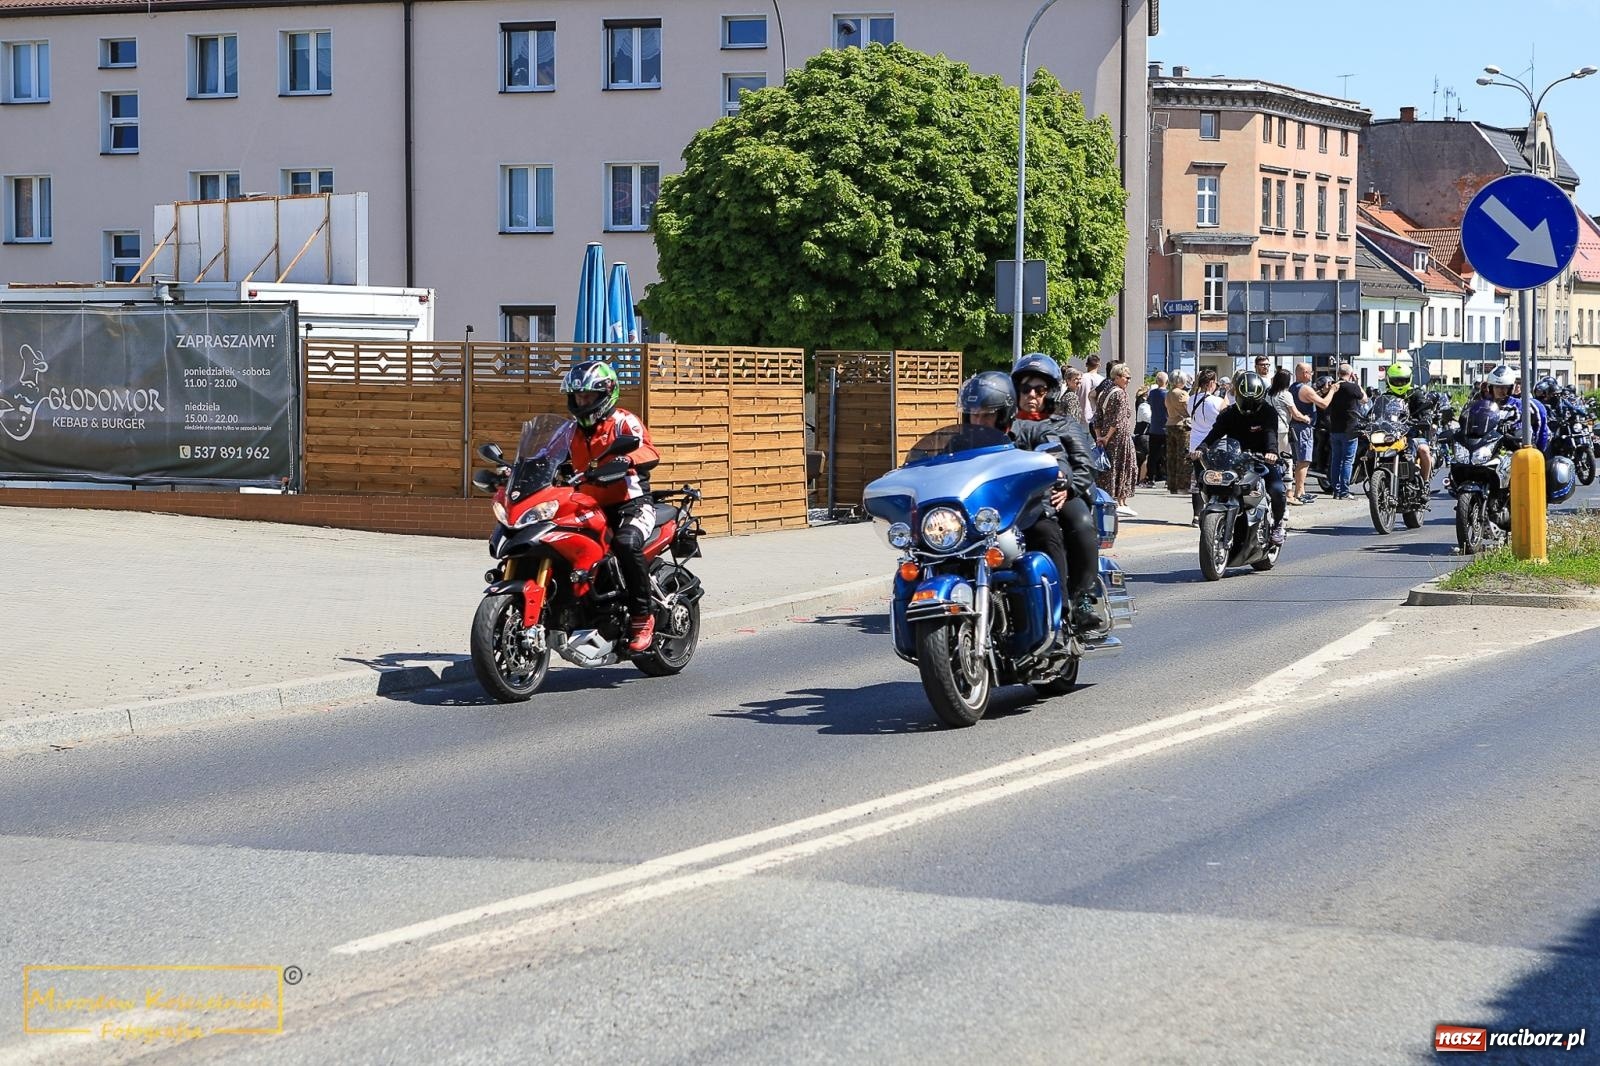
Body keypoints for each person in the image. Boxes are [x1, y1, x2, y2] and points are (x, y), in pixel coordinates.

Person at [561, 360, 662, 653]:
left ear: (606, 394)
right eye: (579, 396)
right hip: (588, 505)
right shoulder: (570, 431)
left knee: (625, 542)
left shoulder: (623, 422)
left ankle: (643, 617)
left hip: (631, 504)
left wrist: (627, 460)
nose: (582, 402)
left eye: (589, 396)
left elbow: (649, 450)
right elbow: (548, 456)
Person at [1009, 353, 1103, 633]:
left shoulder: (1063, 423)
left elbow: (1085, 465)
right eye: (1026, 389)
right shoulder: (1004, 425)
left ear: (1050, 392)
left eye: (1039, 389)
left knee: (1081, 523)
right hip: (1014, 498)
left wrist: (1068, 486)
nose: (1032, 395)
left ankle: (1082, 597)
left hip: (1061, 493)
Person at [1191, 371, 1288, 545]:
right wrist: (1201, 448)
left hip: (1262, 460)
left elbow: (1271, 433)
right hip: (1234, 460)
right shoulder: (1229, 413)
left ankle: (1278, 525)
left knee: (1277, 489)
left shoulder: (1268, 412)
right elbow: (1214, 433)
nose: (1249, 404)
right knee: (1212, 483)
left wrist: (1271, 452)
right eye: (1246, 398)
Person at [1094, 363, 1139, 517]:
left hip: (1106, 436)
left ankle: (1111, 498)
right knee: (1126, 466)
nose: (1128, 381)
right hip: (1120, 437)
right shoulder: (1120, 393)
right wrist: (1106, 437)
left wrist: (1100, 436)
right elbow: (1118, 419)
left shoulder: (1105, 392)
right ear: (1117, 377)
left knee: (1109, 467)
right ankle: (1121, 500)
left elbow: (1097, 417)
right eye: (1127, 377)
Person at [1378, 363, 1434, 484]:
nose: (1399, 384)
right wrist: (1367, 420)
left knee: (1424, 450)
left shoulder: (1415, 394)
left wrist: (1426, 418)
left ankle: (1425, 483)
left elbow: (1425, 409)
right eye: (1396, 381)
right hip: (1391, 434)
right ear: (1388, 380)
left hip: (1413, 433)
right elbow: (1376, 411)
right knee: (1371, 449)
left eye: (1402, 381)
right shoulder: (1385, 397)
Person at [1187, 368, 1226, 523]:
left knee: (1198, 480)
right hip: (1214, 444)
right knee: (1215, 479)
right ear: (1211, 383)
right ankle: (1212, 512)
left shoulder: (1191, 400)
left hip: (1195, 444)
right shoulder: (1217, 401)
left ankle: (1196, 515)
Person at [1323, 363, 1366, 500]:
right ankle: (1344, 491)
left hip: (1335, 428)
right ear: (1351, 374)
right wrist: (1358, 383)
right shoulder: (1352, 387)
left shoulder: (1333, 387)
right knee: (1347, 461)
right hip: (1350, 429)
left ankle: (1335, 490)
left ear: (1338, 373)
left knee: (1336, 460)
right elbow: (1364, 399)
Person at [1287, 362, 1327, 504]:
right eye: (1310, 372)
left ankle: (1301, 490)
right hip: (1304, 428)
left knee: (1299, 460)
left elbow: (1310, 397)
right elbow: (1324, 404)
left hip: (1294, 427)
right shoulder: (1305, 389)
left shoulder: (1293, 388)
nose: (1311, 375)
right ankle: (1299, 492)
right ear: (1304, 373)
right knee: (1304, 460)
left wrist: (1320, 392)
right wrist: (1332, 390)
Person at [1165, 372, 1192, 496]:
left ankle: (1172, 485)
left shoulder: (1168, 393)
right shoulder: (1182, 393)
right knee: (1183, 456)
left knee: (1171, 456)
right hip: (1182, 424)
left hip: (1170, 423)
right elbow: (1189, 409)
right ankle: (1183, 485)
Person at [1147, 371, 1169, 485]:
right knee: (1167, 454)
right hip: (1166, 427)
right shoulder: (1168, 394)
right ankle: (1167, 478)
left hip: (1154, 427)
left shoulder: (1152, 393)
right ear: (1167, 381)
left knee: (1153, 455)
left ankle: (1151, 477)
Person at [1078, 353, 1104, 428]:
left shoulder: (1080, 378)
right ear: (1099, 365)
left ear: (1086, 365)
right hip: (1095, 416)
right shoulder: (1102, 380)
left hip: (1081, 417)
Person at [1134, 384, 1153, 487]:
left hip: (1141, 435)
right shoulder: (1143, 405)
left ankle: (1142, 478)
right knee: (1148, 457)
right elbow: (1149, 418)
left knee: (1145, 458)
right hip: (1144, 435)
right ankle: (1141, 479)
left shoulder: (1141, 403)